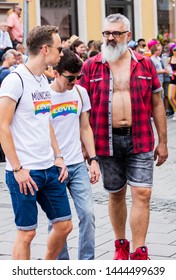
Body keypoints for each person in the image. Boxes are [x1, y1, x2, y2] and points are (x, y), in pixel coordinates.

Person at [78, 13, 168, 260]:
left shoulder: (145, 64)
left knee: (143, 193)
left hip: (139, 137)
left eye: (116, 33)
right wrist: (84, 145)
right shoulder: (91, 66)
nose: (110, 37)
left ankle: (139, 250)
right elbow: (82, 110)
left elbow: (157, 104)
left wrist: (163, 141)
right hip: (105, 140)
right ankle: (120, 245)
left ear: (127, 36)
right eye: (107, 33)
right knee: (116, 193)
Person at [0, 25, 72, 260]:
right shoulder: (15, 80)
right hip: (25, 172)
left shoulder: (42, 80)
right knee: (27, 233)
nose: (61, 53)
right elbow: (2, 127)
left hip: (49, 168)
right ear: (44, 49)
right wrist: (18, 169)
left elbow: (46, 120)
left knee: (64, 226)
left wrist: (58, 155)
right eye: (58, 48)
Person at [49, 48, 100, 260]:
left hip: (78, 164)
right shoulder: (44, 96)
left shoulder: (80, 93)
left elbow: (85, 128)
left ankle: (86, 264)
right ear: (55, 73)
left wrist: (94, 159)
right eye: (70, 78)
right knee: (59, 222)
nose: (75, 82)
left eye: (78, 77)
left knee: (88, 215)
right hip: (53, 167)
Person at [166, 43, 176, 121]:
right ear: (172, 50)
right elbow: (167, 69)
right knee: (170, 97)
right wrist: (170, 72)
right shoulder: (169, 59)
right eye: (174, 50)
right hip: (172, 79)